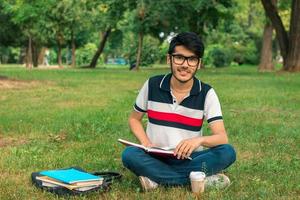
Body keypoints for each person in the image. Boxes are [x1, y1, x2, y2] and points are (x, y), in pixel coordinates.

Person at [121, 32, 236, 191]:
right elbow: (134, 119)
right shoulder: (152, 85)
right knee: (129, 155)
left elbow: (222, 137)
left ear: (198, 64)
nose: (185, 64)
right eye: (179, 57)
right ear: (170, 59)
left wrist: (199, 141)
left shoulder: (207, 93)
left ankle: (156, 180)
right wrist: (146, 142)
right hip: (155, 156)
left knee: (227, 152)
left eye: (192, 59)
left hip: (190, 159)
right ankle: (198, 180)